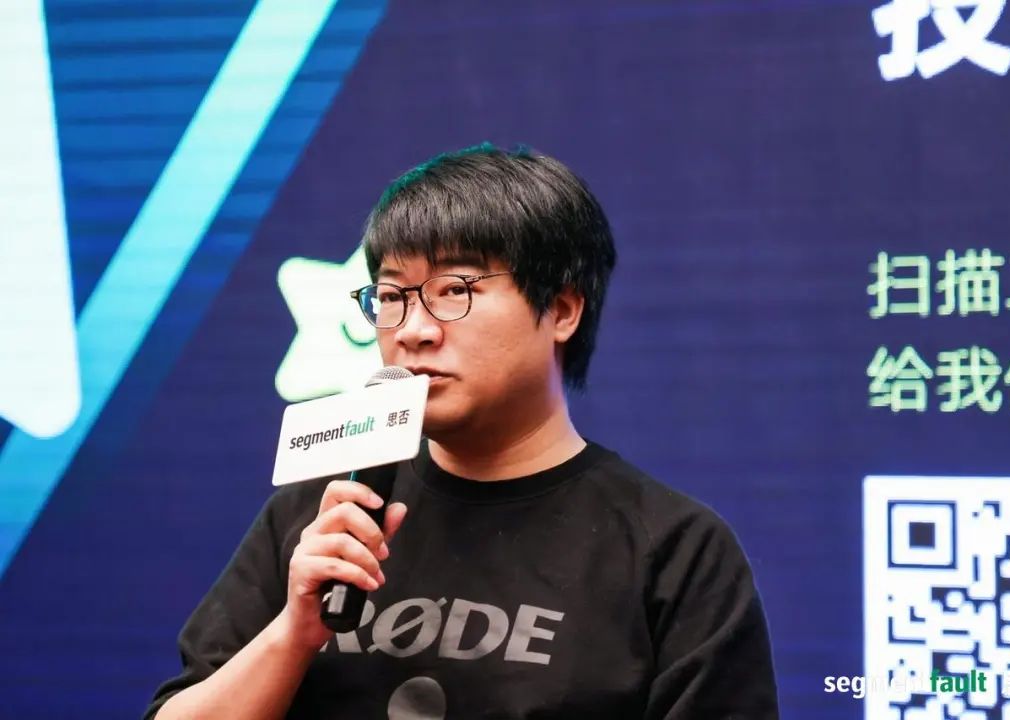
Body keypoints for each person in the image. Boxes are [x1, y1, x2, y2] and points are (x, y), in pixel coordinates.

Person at [145, 143, 779, 719]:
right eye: (391, 296)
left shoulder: (671, 549)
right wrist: (293, 633)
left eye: (454, 290)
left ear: (561, 309)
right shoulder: (322, 518)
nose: (413, 330)